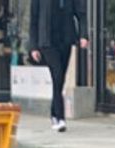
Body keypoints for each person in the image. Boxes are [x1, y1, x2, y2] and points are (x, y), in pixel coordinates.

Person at [26, 0, 85, 131]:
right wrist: (33, 47)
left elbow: (80, 13)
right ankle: (60, 117)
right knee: (57, 75)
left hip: (65, 40)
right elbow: (34, 20)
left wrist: (83, 35)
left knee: (60, 79)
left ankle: (53, 112)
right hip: (47, 42)